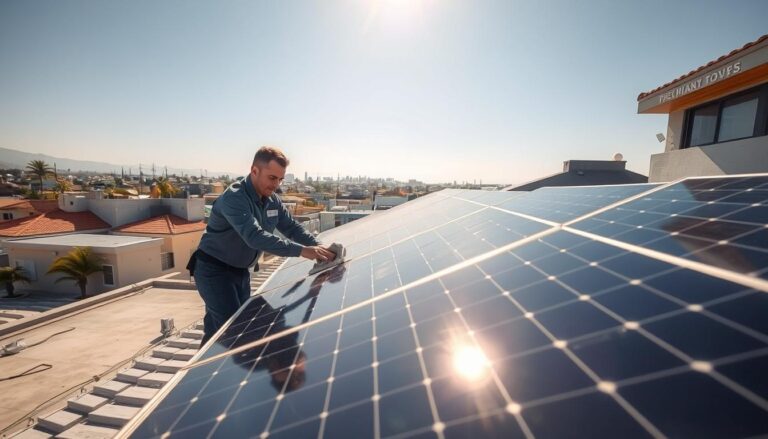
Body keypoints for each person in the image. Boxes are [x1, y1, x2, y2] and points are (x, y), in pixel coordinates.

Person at [188, 146, 335, 345]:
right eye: (272, 178)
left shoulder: (272, 200)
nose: (276, 184)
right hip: (214, 271)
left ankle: (199, 373)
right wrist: (303, 251)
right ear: (254, 170)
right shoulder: (235, 198)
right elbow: (255, 237)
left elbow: (291, 227)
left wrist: (319, 247)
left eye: (281, 179)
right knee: (233, 332)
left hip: (240, 272)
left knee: (218, 332)